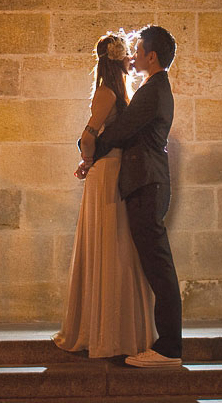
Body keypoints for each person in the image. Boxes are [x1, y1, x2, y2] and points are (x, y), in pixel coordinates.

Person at [54, 33, 157, 358]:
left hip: (114, 172)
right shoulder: (106, 92)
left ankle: (116, 331)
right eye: (127, 55)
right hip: (106, 174)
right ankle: (108, 333)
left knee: (117, 247)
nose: (131, 60)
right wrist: (87, 160)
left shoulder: (115, 91)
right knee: (110, 246)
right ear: (116, 61)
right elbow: (88, 134)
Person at [87, 25, 182, 368]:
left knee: (159, 266)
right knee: (156, 264)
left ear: (151, 56)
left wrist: (88, 148)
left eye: (138, 49)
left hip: (146, 183)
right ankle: (166, 344)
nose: (133, 54)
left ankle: (169, 348)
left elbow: (120, 132)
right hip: (146, 182)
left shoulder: (153, 90)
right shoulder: (152, 88)